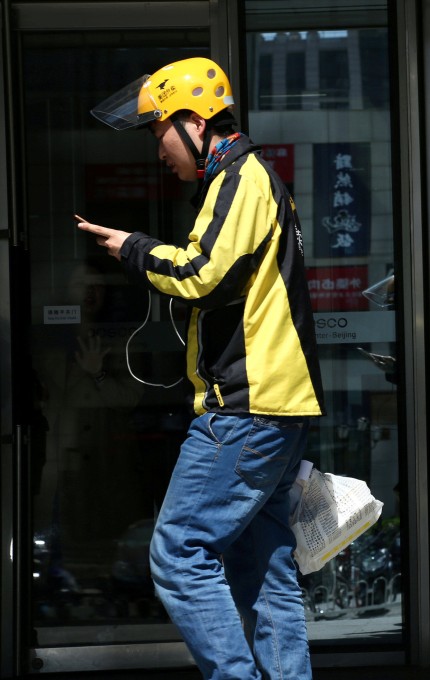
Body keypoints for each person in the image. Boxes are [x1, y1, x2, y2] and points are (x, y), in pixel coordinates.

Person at [78, 56, 324, 679]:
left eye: (156, 130)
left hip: (245, 409)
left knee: (178, 554)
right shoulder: (246, 180)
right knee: (264, 570)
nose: (157, 149)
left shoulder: (241, 179)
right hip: (274, 407)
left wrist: (131, 248)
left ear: (194, 120)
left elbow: (200, 273)